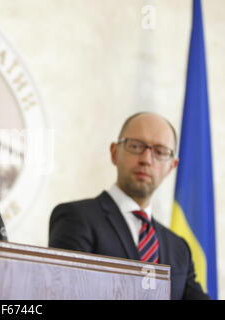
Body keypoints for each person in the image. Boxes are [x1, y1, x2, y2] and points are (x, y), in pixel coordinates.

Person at [49, 112, 210, 300]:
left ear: (171, 167)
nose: (146, 159)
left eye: (159, 152)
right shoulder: (76, 218)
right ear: (114, 153)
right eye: (136, 146)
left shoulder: (179, 247)